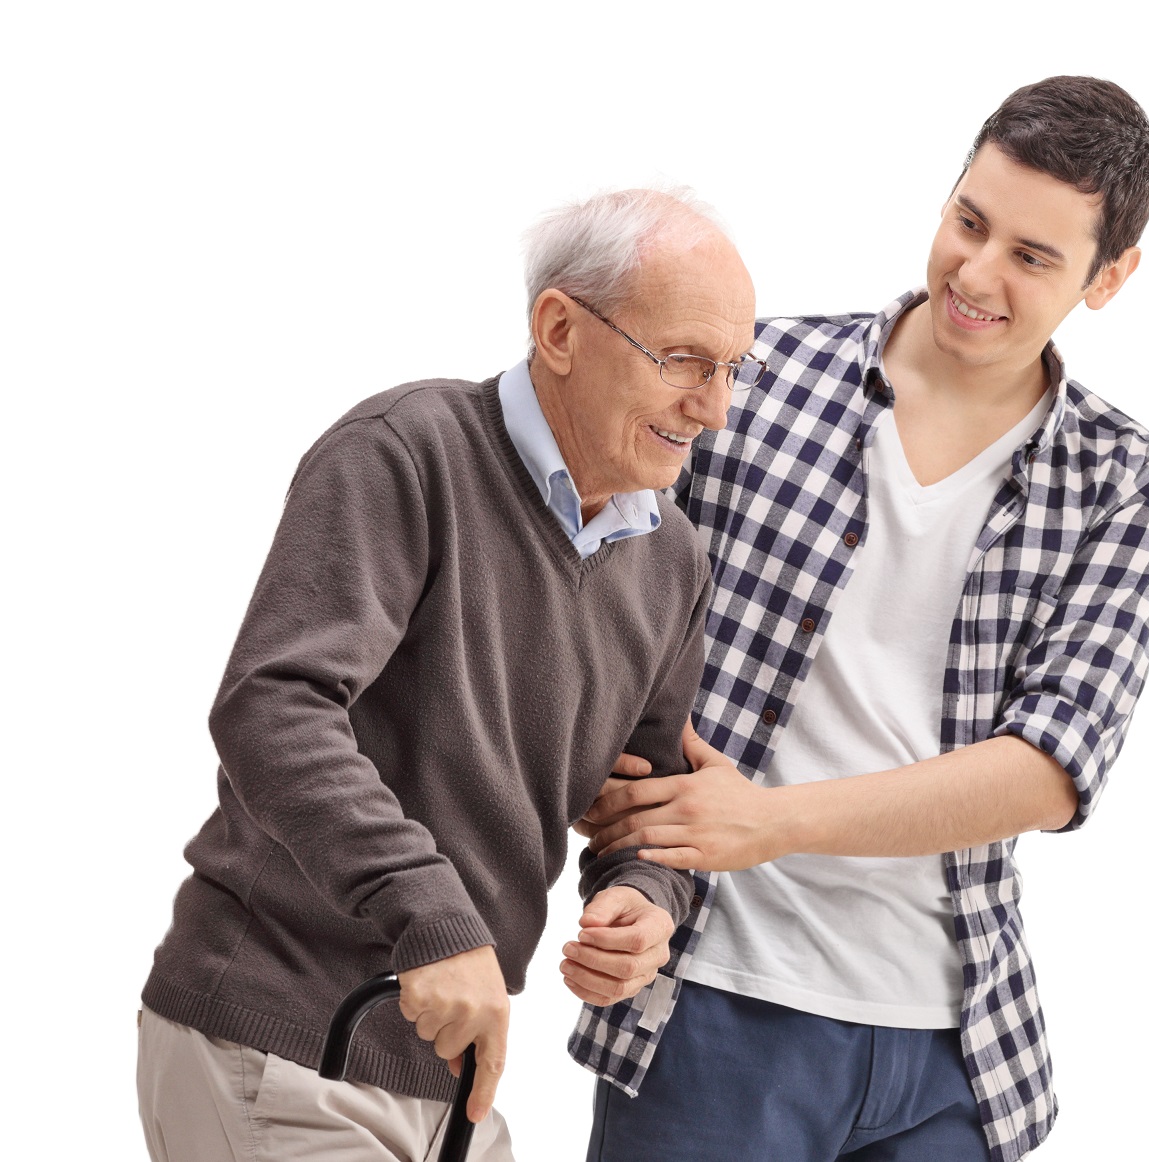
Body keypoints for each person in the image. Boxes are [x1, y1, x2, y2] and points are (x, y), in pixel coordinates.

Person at [570, 77, 1149, 1161]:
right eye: (970, 221)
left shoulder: (1121, 480)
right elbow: (599, 624)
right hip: (714, 1000)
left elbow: (1050, 767)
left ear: (1110, 277)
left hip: (953, 1052)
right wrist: (624, 863)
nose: (976, 274)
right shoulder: (754, 379)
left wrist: (775, 819)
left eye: (1033, 257)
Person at [136, 188, 763, 1162]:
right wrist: (432, 914)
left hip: (450, 1077)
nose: (714, 406)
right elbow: (274, 706)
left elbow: (646, 797)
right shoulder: (406, 452)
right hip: (285, 1039)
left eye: (731, 369)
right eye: (682, 359)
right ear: (560, 328)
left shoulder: (672, 557)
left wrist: (644, 898)